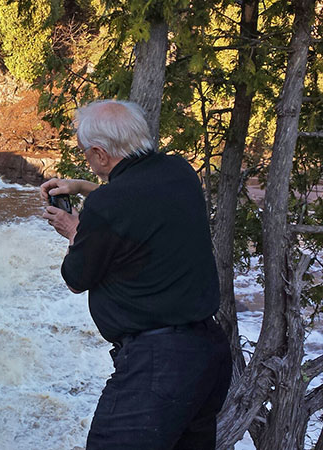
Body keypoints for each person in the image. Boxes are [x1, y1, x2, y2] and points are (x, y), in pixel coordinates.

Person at [40, 100, 232, 449]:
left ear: (99, 154)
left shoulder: (108, 206)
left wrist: (72, 230)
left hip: (157, 366)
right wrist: (83, 186)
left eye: (86, 153)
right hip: (208, 354)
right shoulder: (179, 172)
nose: (87, 159)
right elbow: (138, 197)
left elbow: (75, 278)